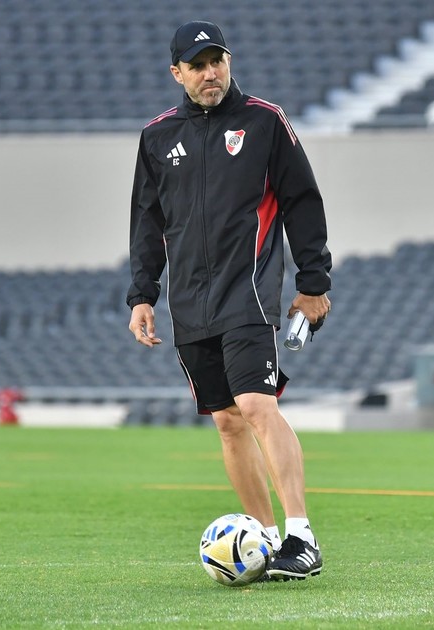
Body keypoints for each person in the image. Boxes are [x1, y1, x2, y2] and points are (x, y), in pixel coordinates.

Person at [126, 21, 332, 581]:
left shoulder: (265, 121)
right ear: (177, 73)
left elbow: (302, 200)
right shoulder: (157, 137)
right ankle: (266, 541)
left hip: (249, 292)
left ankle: (302, 536)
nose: (210, 72)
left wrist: (313, 282)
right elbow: (147, 222)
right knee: (226, 421)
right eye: (197, 65)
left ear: (228, 62)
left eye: (216, 60)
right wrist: (142, 294)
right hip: (189, 302)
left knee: (257, 405)